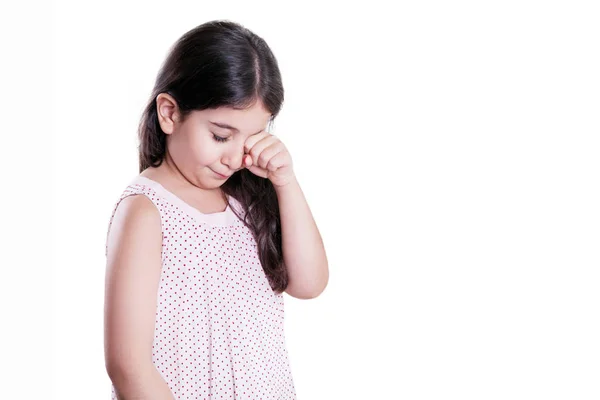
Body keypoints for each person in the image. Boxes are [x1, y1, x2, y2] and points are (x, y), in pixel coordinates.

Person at [103, 20, 329, 400]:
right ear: (169, 113)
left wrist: (286, 181)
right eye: (221, 136)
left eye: (253, 136)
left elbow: (309, 284)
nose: (235, 156)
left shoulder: (248, 199)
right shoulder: (147, 211)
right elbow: (129, 366)